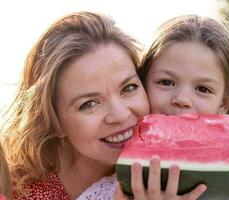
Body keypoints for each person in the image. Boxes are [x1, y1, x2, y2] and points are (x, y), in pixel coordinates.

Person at [114, 15, 229, 200]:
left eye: (203, 89)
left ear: (224, 103)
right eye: (166, 82)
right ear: (142, 84)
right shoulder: (110, 189)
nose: (182, 99)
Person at [0, 11, 152, 199]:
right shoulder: (13, 191)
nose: (120, 114)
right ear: (54, 121)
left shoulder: (174, 174)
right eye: (89, 104)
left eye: (129, 88)